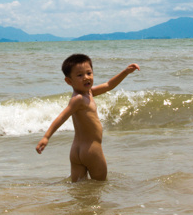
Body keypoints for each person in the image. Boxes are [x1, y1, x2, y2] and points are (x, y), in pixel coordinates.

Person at [36, 53, 141, 182]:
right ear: (69, 81)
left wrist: (125, 72)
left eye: (89, 73)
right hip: (92, 150)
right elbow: (62, 117)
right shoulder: (78, 99)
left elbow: (108, 85)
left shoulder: (89, 93)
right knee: (100, 185)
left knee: (79, 189)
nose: (86, 77)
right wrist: (46, 137)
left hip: (76, 152)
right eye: (80, 75)